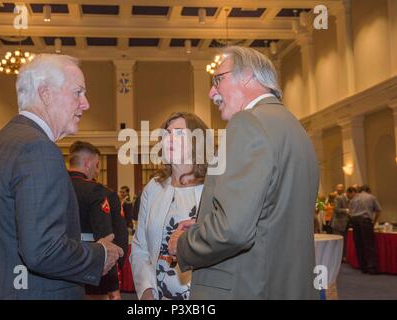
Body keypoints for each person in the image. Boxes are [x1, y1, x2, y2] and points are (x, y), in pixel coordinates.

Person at [0, 54, 123, 299]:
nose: (86, 103)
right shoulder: (38, 149)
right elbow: (43, 250)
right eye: (78, 92)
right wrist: (99, 254)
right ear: (46, 94)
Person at [168, 46, 319, 299]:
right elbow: (272, 216)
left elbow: (233, 231)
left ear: (248, 76)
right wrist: (206, 223)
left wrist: (182, 244)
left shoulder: (248, 123)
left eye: (218, 79)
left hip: (247, 287)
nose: (211, 92)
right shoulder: (295, 129)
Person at [130, 112, 209, 300]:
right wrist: (146, 291)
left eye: (180, 133)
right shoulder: (154, 187)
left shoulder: (213, 186)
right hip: (158, 295)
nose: (170, 138)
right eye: (167, 133)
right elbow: (140, 246)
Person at [68, 141, 128, 300]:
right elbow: (110, 239)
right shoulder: (96, 191)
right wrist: (113, 283)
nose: (98, 169)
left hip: (58, 269)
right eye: (96, 164)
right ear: (87, 163)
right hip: (92, 269)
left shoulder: (51, 187)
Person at [349, 185, 381, 274]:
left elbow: (350, 212)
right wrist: (373, 222)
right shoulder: (371, 197)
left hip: (355, 222)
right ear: (368, 190)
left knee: (359, 244)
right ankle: (372, 268)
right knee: (369, 245)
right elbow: (378, 210)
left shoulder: (354, 198)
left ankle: (363, 267)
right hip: (365, 221)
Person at [331, 184, 351, 258]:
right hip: (338, 224)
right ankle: (337, 257)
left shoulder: (347, 198)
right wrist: (346, 210)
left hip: (345, 223)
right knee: (337, 242)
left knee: (344, 241)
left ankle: (343, 256)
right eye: (338, 187)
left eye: (341, 188)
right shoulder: (338, 198)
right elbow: (336, 209)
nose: (340, 189)